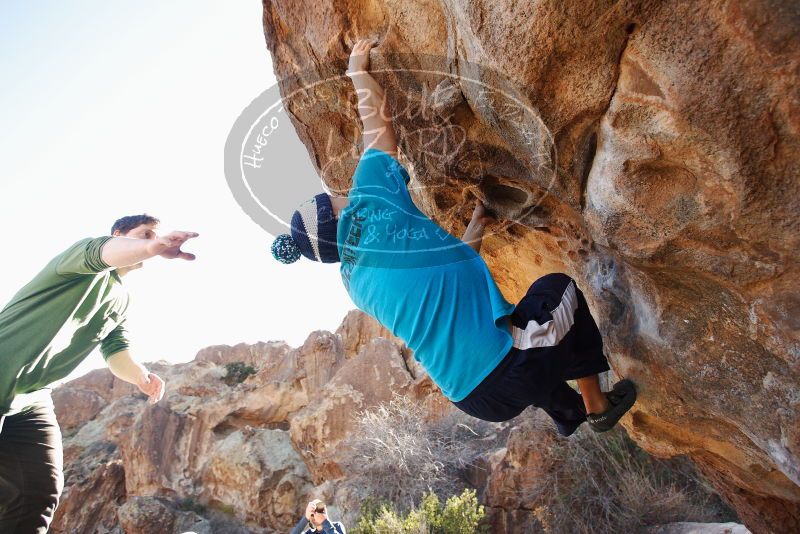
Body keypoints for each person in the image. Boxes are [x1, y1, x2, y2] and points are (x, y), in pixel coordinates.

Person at [271, 39, 636, 437]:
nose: (338, 192)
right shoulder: (368, 203)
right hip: (506, 368)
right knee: (559, 290)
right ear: (333, 213)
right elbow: (378, 125)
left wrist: (477, 222)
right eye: (330, 198)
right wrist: (358, 72)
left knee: (522, 332)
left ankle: (568, 413)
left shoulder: (355, 283)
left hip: (471, 397)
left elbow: (448, 272)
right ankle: (597, 406)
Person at [0, 214, 199, 533]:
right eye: (143, 234)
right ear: (120, 235)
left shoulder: (121, 299)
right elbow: (104, 251)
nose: (152, 240)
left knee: (36, 491)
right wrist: (152, 246)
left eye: (154, 235)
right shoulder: (82, 258)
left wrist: (140, 376)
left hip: (32, 399)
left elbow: (115, 349)